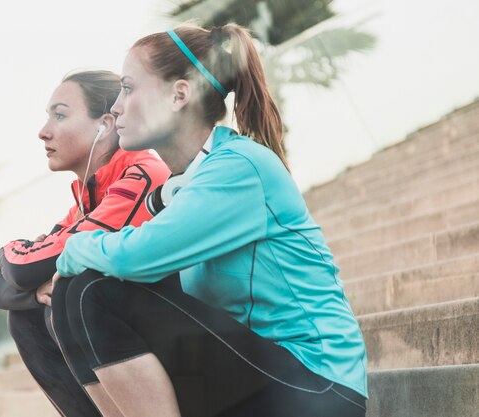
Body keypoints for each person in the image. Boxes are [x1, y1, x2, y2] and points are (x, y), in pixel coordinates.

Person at [51, 25, 368, 417]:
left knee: (89, 289)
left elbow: (135, 255)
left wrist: (73, 248)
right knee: (68, 297)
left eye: (129, 88)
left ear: (179, 94)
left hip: (319, 388)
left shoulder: (239, 167)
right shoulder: (189, 183)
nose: (115, 107)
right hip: (258, 379)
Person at [0, 70, 171, 417]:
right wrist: (29, 280)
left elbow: (21, 267)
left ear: (104, 125)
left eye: (59, 115)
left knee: (72, 291)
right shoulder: (88, 199)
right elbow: (1, 290)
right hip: (135, 328)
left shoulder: (141, 174)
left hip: (189, 337)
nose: (43, 131)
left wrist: (7, 253)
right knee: (25, 315)